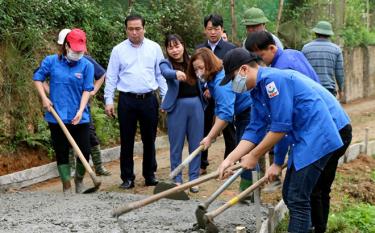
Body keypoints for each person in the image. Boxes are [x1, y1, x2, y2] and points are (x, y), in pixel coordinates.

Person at [218, 48, 350, 233]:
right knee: (290, 194)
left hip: (317, 137)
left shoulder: (274, 82)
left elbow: (280, 127)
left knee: (297, 197)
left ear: (244, 70)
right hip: (303, 138)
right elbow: (255, 129)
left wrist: (254, 155)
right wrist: (230, 159)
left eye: (232, 79)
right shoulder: (257, 91)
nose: (234, 85)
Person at [104, 14, 167, 189]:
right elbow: (111, 77)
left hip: (148, 99)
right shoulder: (118, 50)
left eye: (137, 28)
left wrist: (165, 97)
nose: (134, 32)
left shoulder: (154, 48)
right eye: (130, 29)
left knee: (149, 139)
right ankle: (127, 177)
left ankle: (149, 174)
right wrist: (108, 100)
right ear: (126, 30)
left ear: (144, 28)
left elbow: (160, 75)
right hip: (127, 100)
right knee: (126, 139)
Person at [33, 28, 94, 194]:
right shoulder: (51, 61)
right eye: (75, 50)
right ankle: (66, 186)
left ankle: (79, 181)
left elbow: (87, 90)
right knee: (61, 152)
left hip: (79, 117)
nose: (78, 53)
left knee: (85, 150)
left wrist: (81, 110)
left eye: (80, 50)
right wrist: (45, 99)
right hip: (57, 116)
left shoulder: (87, 65)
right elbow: (38, 78)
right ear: (66, 46)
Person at [187, 48, 254, 193]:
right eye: (195, 69)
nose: (198, 72)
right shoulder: (213, 78)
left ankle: (249, 192)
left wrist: (210, 136)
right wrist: (214, 131)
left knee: (246, 151)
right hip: (243, 112)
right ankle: (249, 189)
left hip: (249, 112)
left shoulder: (220, 82)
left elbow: (225, 114)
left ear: (209, 65)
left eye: (200, 68)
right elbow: (220, 107)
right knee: (245, 150)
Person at [56, 28, 111, 176]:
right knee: (66, 136)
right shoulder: (57, 61)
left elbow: (102, 74)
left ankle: (99, 166)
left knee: (90, 135)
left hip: (81, 106)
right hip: (63, 107)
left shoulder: (85, 60)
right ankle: (72, 169)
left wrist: (92, 91)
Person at [159, 34, 205, 193]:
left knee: (196, 143)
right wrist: (176, 74)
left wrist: (207, 88)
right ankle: (177, 179)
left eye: (177, 46)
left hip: (196, 105)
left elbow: (203, 75)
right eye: (170, 47)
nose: (174, 50)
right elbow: (165, 72)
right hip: (176, 106)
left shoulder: (193, 60)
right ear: (166, 49)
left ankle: (194, 179)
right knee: (176, 145)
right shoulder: (166, 63)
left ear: (183, 45)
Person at [196, 14, 237, 176]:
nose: (213, 32)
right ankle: (202, 163)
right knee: (205, 129)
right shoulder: (200, 49)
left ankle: (229, 162)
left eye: (216, 29)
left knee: (228, 129)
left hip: (226, 94)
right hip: (207, 96)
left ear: (222, 30)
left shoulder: (230, 49)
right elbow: (198, 72)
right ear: (205, 30)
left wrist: (214, 88)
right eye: (209, 29)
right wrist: (206, 87)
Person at [245, 30, 320, 83]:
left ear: (272, 48)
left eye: (261, 56)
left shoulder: (280, 69)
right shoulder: (294, 52)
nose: (258, 62)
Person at [302, 20, 345, 101]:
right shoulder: (336, 49)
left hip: (310, 87)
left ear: (315, 33)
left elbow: (302, 70)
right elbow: (339, 72)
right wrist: (341, 89)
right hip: (328, 90)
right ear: (329, 34)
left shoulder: (306, 48)